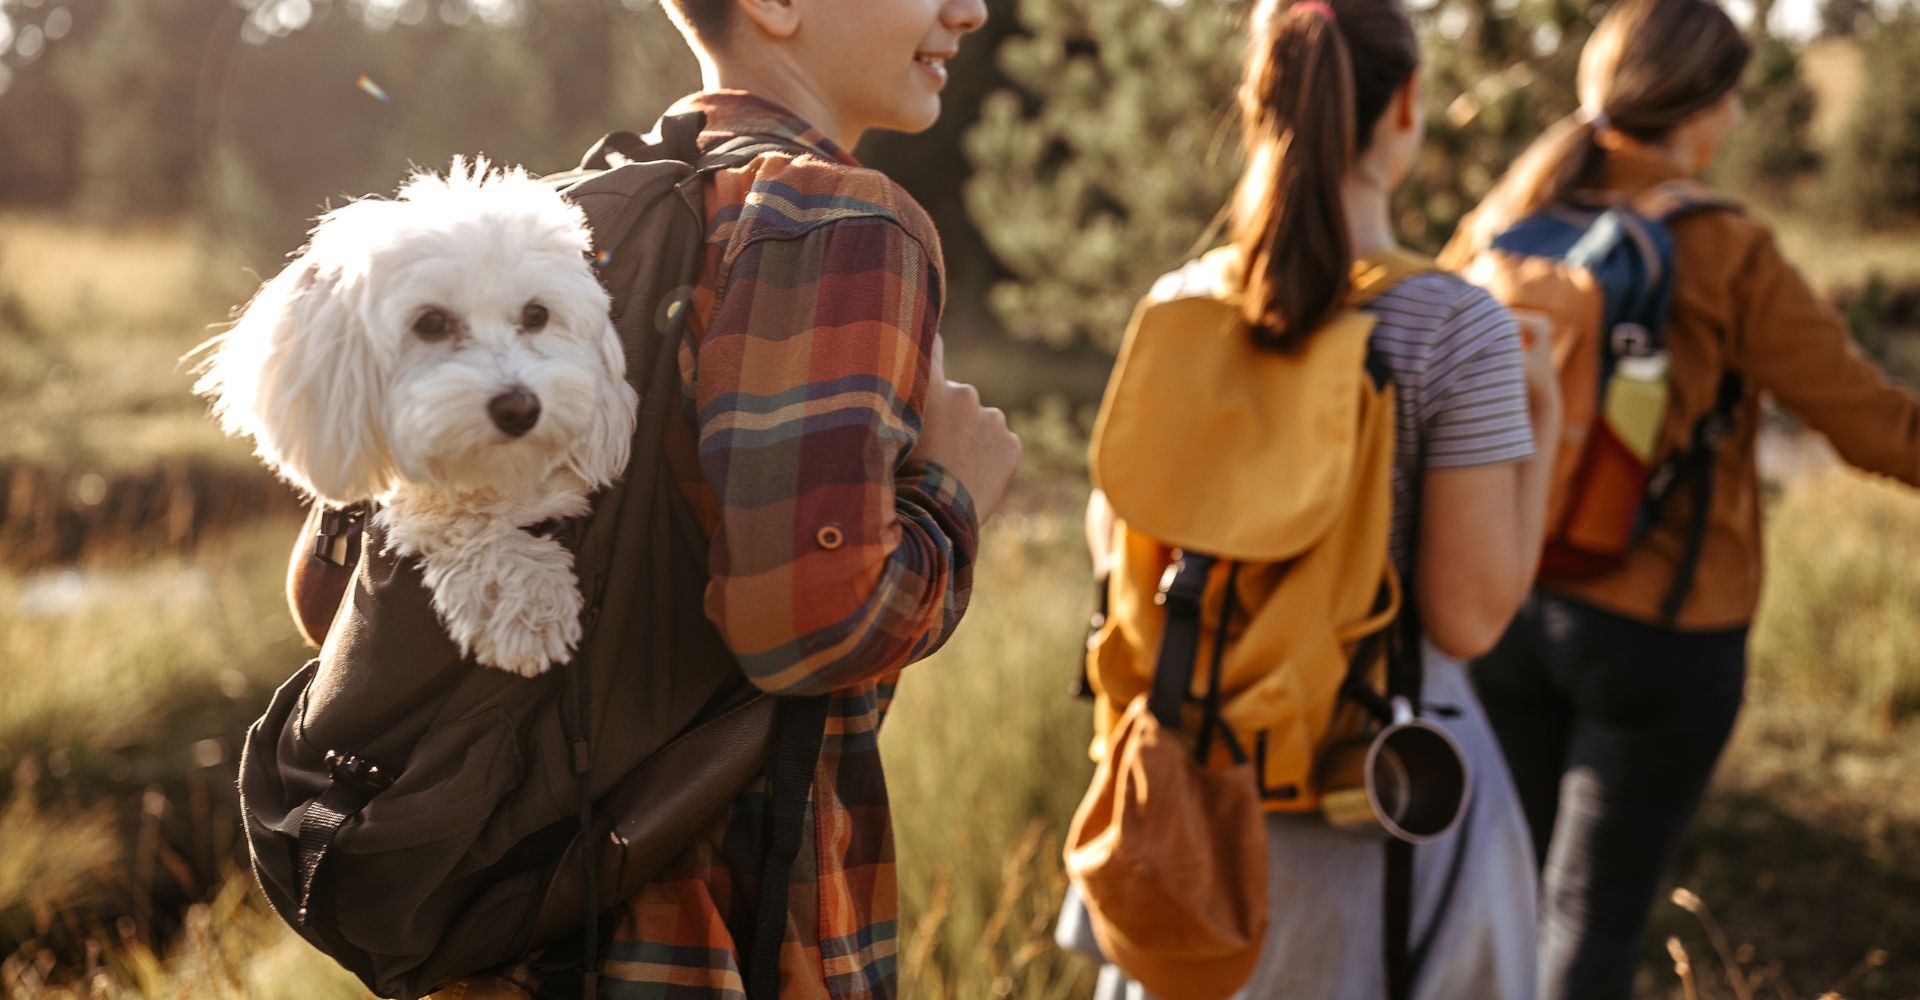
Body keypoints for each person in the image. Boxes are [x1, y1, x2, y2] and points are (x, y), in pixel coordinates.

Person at [463, 0, 1018, 995]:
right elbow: (805, 623)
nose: (969, 9)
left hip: (510, 934)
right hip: (718, 942)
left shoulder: (557, 215)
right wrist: (952, 496)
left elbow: (335, 591)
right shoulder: (845, 218)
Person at [1053, 0, 1563, 995]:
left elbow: (1118, 544)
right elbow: (1470, 615)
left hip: (1186, 811)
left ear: (1255, 102)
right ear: (1407, 104)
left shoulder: (1179, 304)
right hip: (1379, 810)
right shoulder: (1457, 329)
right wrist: (1540, 425)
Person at [1444, 1, 1920, 997]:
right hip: (1663, 627)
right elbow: (1870, 424)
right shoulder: (1724, 245)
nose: (1741, 114)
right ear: (1703, 103)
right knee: (1591, 914)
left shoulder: (1503, 218)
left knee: (1505, 894)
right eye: (1737, 93)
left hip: (1499, 603)